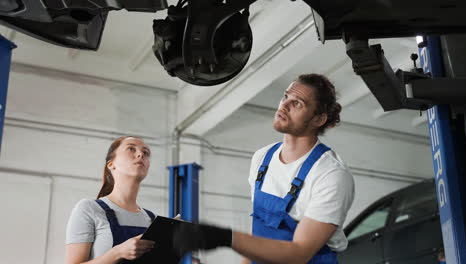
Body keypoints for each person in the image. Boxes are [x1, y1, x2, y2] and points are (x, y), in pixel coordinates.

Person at [173, 73, 355, 264]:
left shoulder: (331, 175)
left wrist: (224, 237)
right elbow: (257, 238)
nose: (284, 106)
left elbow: (299, 254)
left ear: (318, 119)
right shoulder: (263, 158)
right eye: (285, 97)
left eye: (297, 103)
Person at [65, 136, 156, 264]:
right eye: (131, 149)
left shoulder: (153, 220)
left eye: (146, 153)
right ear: (111, 164)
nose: (141, 154)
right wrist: (118, 252)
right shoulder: (89, 208)